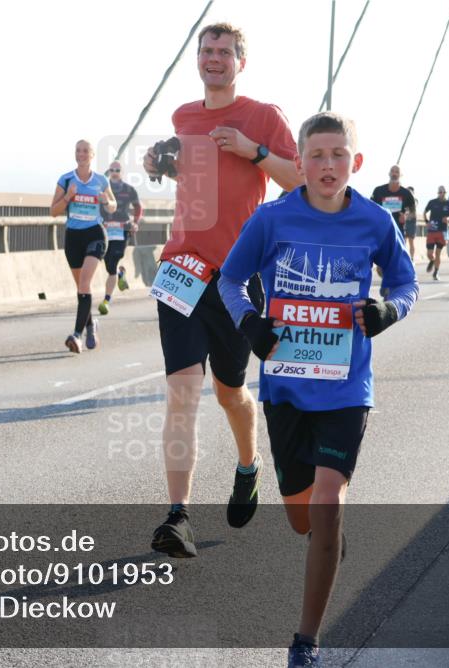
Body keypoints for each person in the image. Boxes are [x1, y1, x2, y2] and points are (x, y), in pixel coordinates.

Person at [219, 111, 418, 668]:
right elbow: (230, 280)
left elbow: (405, 284)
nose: (328, 166)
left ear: (355, 162)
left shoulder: (377, 222)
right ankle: (325, 541)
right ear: (299, 161)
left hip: (346, 388)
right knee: (303, 518)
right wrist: (250, 323)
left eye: (338, 155)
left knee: (328, 503)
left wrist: (386, 311)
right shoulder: (271, 218)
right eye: (316, 156)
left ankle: (305, 642)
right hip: (285, 388)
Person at [142, 22, 302, 558]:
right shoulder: (183, 117)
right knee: (183, 391)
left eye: (224, 52)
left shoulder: (263, 116)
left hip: (237, 278)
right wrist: (159, 164)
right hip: (182, 269)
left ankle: (248, 466)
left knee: (230, 392)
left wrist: (252, 150)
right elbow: (192, 174)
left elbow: (298, 181)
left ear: (241, 62)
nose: (214, 59)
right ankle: (178, 516)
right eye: (207, 51)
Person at [51, 140, 116, 352]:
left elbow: (113, 206)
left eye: (85, 151)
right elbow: (54, 211)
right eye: (78, 150)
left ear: (92, 155)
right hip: (73, 237)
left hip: (95, 234)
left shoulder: (100, 180)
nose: (81, 154)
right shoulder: (66, 179)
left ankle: (77, 335)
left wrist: (106, 201)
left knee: (85, 283)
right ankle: (90, 324)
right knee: (81, 288)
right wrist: (68, 197)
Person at [98, 160, 142, 315]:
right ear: (109, 172)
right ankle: (120, 273)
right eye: (112, 170)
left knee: (114, 260)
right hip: (104, 232)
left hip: (122, 231)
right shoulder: (102, 189)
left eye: (117, 169)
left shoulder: (129, 190)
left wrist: (135, 223)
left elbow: (138, 207)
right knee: (109, 265)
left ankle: (106, 301)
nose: (114, 172)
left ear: (122, 172)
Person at [370, 165, 415, 248]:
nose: (394, 173)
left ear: (401, 175)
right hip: (381, 230)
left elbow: (413, 212)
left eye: (397, 172)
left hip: (398, 232)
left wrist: (406, 216)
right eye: (392, 171)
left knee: (397, 259)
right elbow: (370, 208)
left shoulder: (407, 193)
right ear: (389, 173)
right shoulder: (378, 190)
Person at [423, 185, 449, 280]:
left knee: (438, 253)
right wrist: (426, 222)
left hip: (442, 231)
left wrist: (448, 219)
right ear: (438, 193)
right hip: (432, 231)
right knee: (430, 254)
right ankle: (432, 261)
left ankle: (436, 272)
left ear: (445, 193)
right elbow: (425, 212)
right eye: (440, 192)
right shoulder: (432, 202)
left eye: (443, 192)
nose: (441, 194)